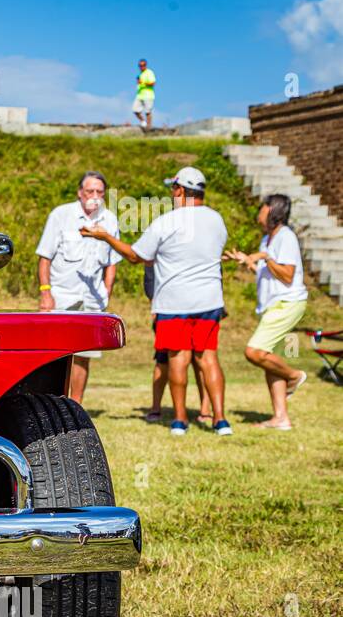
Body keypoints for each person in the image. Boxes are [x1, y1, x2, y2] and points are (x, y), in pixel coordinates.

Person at [81, 166, 231, 436]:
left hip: (175, 303)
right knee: (208, 358)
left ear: (181, 190)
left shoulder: (167, 222)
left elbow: (137, 255)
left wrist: (105, 236)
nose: (172, 194)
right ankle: (220, 421)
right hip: (210, 300)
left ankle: (180, 421)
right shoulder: (217, 219)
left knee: (178, 359)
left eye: (173, 189)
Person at [224, 193, 310, 429]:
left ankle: (294, 376)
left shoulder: (286, 237)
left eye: (263, 208)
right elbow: (268, 271)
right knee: (268, 359)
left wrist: (264, 256)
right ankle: (281, 417)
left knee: (255, 352)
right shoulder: (267, 239)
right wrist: (248, 261)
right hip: (274, 304)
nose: (259, 212)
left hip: (287, 302)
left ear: (274, 212)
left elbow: (287, 275)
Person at [35, 171, 121, 403]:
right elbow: (45, 257)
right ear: (80, 193)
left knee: (84, 355)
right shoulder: (61, 215)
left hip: (92, 299)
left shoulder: (110, 219)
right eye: (90, 191)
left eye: (100, 192)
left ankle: (76, 405)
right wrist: (46, 292)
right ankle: (52, 404)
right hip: (61, 295)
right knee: (55, 354)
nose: (94, 196)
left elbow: (111, 262)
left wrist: (107, 292)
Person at [144, 264, 212, 423]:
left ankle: (206, 410)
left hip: (202, 308)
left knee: (200, 360)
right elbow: (149, 275)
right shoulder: (162, 242)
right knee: (163, 360)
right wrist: (154, 303)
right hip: (168, 311)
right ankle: (156, 408)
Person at [133, 58, 156, 130]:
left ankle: (148, 127)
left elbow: (153, 83)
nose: (141, 67)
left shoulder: (149, 72)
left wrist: (143, 82)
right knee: (135, 110)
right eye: (140, 65)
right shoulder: (140, 74)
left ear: (146, 65)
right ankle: (143, 122)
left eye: (143, 65)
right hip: (139, 95)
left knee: (148, 112)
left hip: (148, 95)